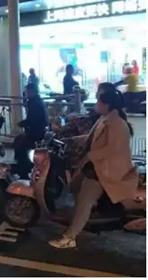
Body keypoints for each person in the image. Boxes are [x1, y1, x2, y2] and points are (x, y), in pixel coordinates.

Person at [49, 90, 138, 248]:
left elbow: (113, 149)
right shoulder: (105, 119)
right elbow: (92, 138)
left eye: (98, 101)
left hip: (104, 171)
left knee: (85, 202)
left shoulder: (117, 124)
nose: (96, 104)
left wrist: (91, 155)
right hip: (94, 165)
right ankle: (81, 217)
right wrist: (72, 140)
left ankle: (70, 237)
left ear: (106, 104)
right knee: (74, 185)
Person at [13, 83, 48, 178]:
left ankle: (23, 169)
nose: (26, 93)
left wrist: (23, 123)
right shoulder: (35, 101)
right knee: (19, 140)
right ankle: (21, 167)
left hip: (36, 132)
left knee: (21, 144)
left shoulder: (35, 103)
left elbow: (33, 119)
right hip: (36, 130)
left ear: (32, 92)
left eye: (27, 92)